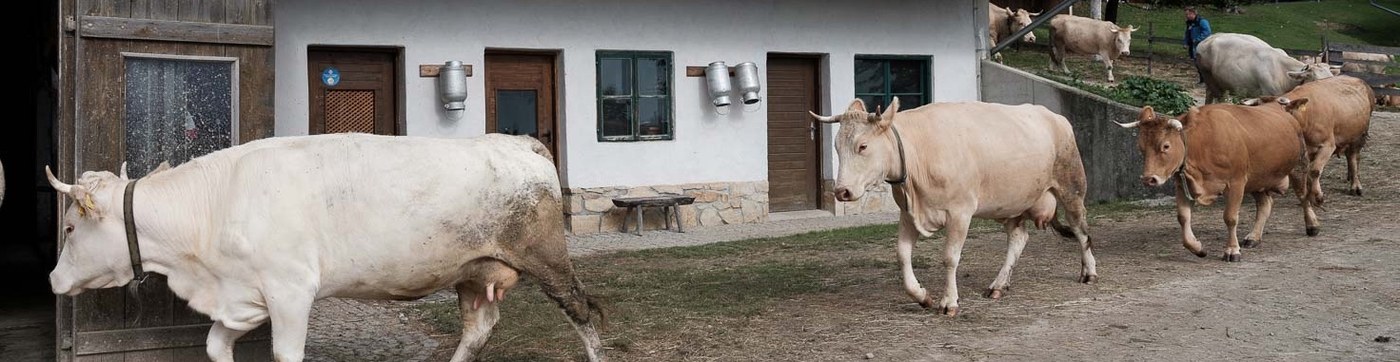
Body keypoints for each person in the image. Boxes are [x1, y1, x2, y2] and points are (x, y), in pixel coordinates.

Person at [1184, 7, 1212, 83]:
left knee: (1203, 63)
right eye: (1186, 14)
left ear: (1193, 13)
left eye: (1188, 14)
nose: (1186, 16)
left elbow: (1207, 32)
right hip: (1193, 46)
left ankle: (1206, 80)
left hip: (1201, 45)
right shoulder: (1189, 23)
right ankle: (1202, 79)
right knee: (1197, 63)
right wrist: (1186, 42)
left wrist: (1197, 39)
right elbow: (1187, 33)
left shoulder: (1202, 21)